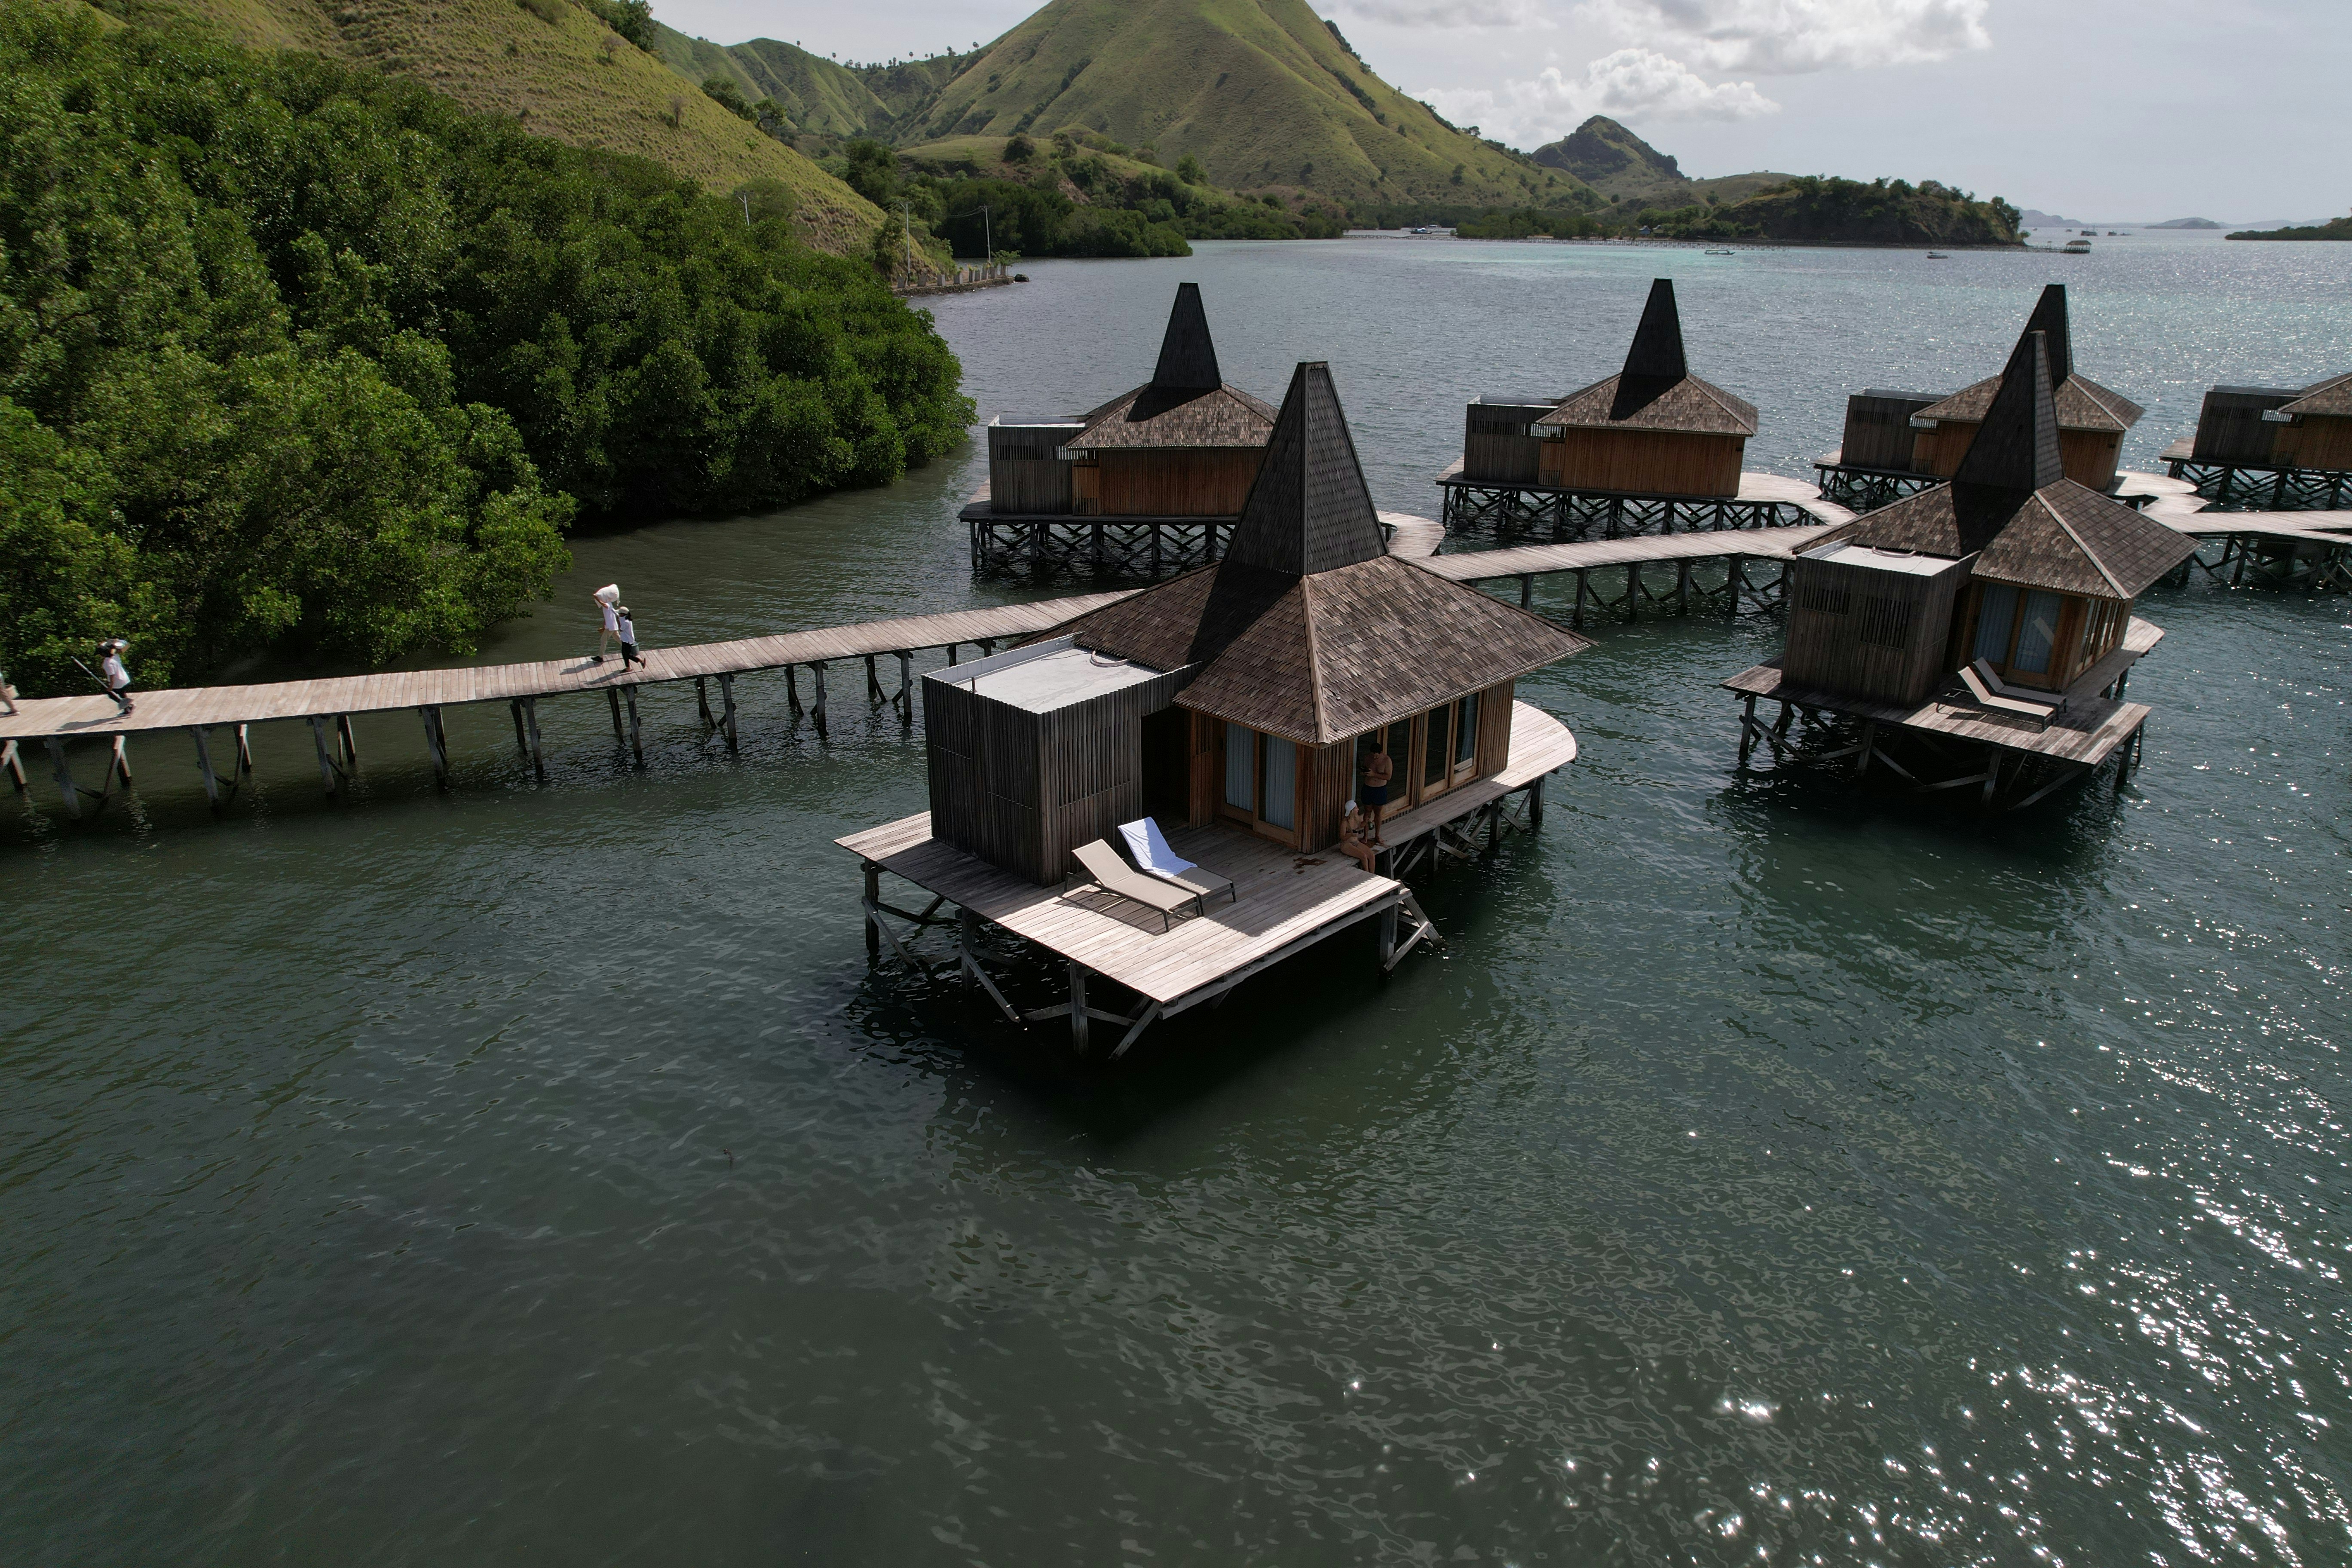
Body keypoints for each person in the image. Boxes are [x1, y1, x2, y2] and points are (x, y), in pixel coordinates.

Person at [1360, 737, 1394, 845]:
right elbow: (1364, 770)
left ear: (1381, 753)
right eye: (1373, 755)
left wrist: (1374, 775)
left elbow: (1388, 777)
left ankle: (1377, 835)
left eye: (1376, 756)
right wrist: (1364, 773)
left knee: (1378, 813)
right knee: (1367, 811)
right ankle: (1365, 836)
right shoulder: (1368, 758)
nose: (1374, 758)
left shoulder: (1387, 760)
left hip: (1379, 789)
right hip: (1368, 787)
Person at [1336, 800, 1378, 873]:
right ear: (1352, 811)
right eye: (1356, 808)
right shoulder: (1345, 822)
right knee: (1364, 857)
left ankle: (1373, 875)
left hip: (1356, 842)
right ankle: (1367, 875)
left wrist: (1366, 822)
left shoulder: (1356, 818)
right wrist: (1351, 834)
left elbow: (1360, 826)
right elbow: (1342, 837)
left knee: (1371, 856)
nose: (1358, 809)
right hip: (1347, 844)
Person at [99, 638, 133, 714]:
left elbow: (112, 676)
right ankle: (128, 708)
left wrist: (110, 687)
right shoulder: (115, 656)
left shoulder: (108, 663)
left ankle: (128, 706)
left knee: (111, 695)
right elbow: (111, 649)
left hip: (117, 682)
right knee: (121, 693)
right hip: (124, 678)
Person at [591, 584, 622, 663]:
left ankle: (600, 657)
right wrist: (604, 628)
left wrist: (597, 598)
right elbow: (607, 618)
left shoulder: (608, 604)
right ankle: (630, 648)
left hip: (611, 627)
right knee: (619, 639)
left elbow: (604, 605)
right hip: (612, 626)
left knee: (603, 641)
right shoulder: (608, 605)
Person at [616, 606, 644, 671]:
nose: (619, 615)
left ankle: (641, 661)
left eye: (620, 614)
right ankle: (628, 668)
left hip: (627, 641)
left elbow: (621, 629)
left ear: (623, 614)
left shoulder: (626, 622)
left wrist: (618, 621)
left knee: (627, 655)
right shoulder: (626, 620)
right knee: (624, 654)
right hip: (625, 640)